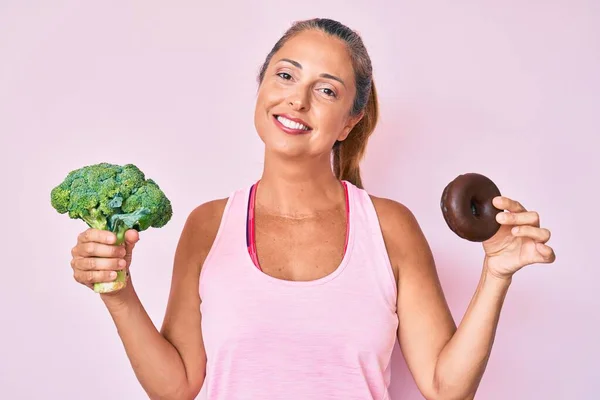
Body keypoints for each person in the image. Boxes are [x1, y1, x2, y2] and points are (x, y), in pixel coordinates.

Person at [69, 18, 556, 400]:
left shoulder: (389, 227)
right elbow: (175, 388)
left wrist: (496, 274)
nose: (297, 100)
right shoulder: (207, 225)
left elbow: (446, 387)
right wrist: (118, 293)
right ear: (261, 88)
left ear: (350, 121)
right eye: (285, 75)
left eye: (326, 90)